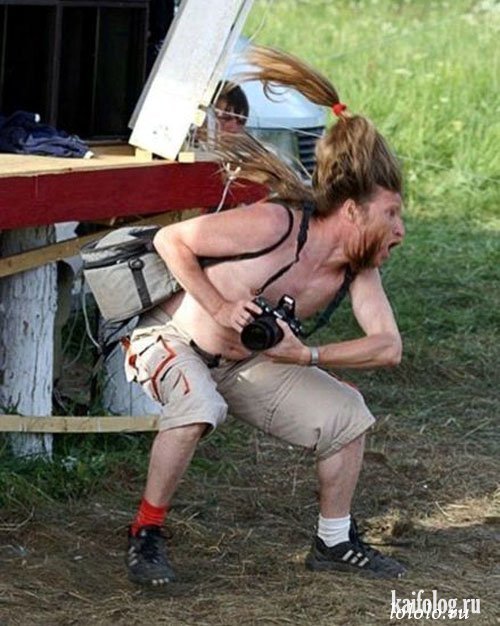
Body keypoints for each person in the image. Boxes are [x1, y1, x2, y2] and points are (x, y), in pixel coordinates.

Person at [123, 45, 407, 585]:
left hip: (244, 364)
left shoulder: (357, 268)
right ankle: (146, 533)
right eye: (391, 213)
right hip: (172, 337)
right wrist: (221, 306)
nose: (400, 230)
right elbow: (171, 240)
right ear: (352, 210)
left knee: (348, 414)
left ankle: (334, 542)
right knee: (200, 403)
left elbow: (387, 347)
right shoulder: (277, 224)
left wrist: (307, 354)